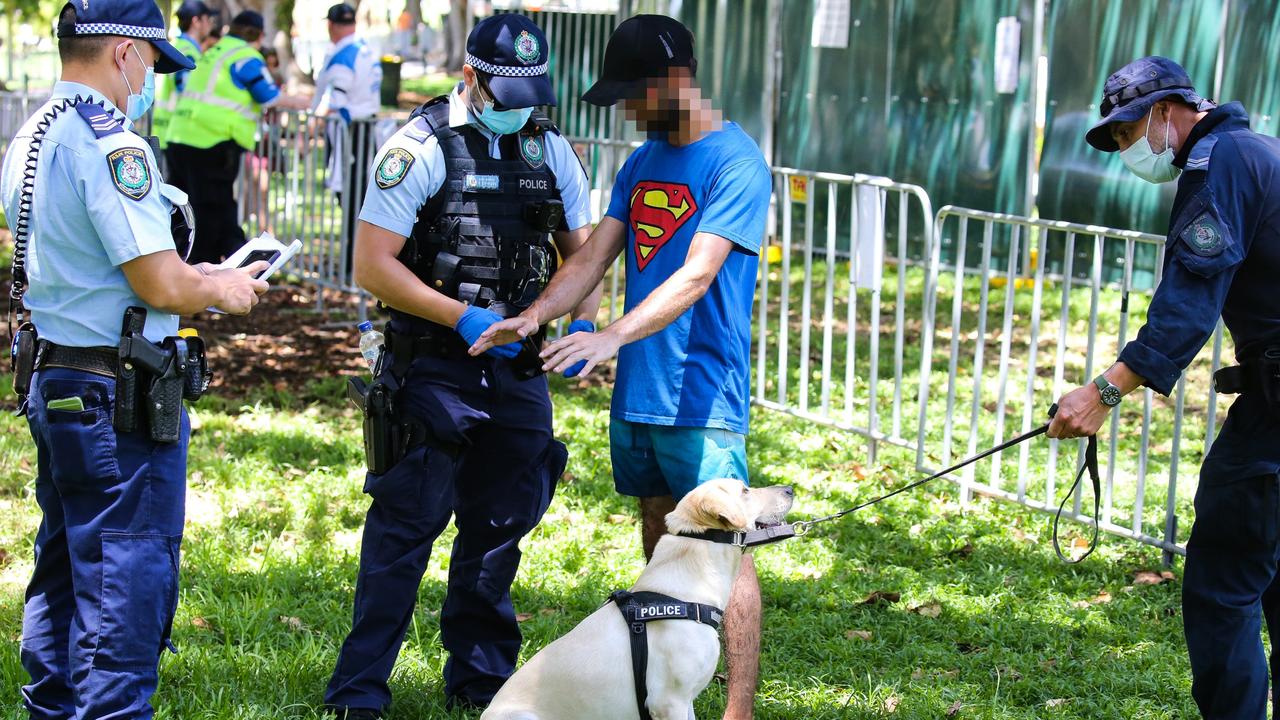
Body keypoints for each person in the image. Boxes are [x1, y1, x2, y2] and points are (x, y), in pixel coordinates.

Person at [471, 15, 774, 720]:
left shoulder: (736, 162)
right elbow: (593, 257)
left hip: (702, 394)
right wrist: (536, 314)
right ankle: (658, 690)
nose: (628, 111)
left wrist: (609, 336)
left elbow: (697, 276)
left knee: (728, 548)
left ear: (671, 81)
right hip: (641, 394)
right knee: (664, 538)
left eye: (633, 95)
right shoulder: (642, 163)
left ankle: (737, 708)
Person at [323, 14, 600, 718]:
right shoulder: (418, 148)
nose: (519, 110)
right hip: (435, 370)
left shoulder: (549, 150)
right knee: (403, 533)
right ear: (470, 76)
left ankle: (480, 681)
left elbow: (582, 253)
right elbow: (372, 265)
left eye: (530, 96)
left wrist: (572, 317)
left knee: (500, 528)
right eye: (506, 94)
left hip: (519, 371)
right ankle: (358, 692)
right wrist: (461, 316)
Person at [0, 1, 271, 717]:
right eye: (152, 62)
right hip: (116, 394)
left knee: (63, 567)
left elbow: (96, 264)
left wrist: (190, 272)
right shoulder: (110, 144)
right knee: (127, 576)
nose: (153, 78)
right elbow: (160, 284)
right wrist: (224, 285)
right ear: (124, 53)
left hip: (58, 375)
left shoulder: (33, 133)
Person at [1049, 56, 1280, 719]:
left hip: (1274, 419)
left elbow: (1188, 304)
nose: (1129, 151)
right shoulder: (1262, 151)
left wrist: (1103, 391)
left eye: (1128, 134)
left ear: (1167, 111)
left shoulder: (1220, 164)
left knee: (1224, 589)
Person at [166, 10, 309, 265]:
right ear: (260, 36)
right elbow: (269, 96)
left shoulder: (215, 51)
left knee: (192, 210)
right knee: (210, 211)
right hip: (212, 142)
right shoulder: (246, 57)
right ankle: (206, 273)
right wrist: (304, 102)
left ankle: (214, 265)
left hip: (180, 137)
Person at [313, 2, 384, 277]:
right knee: (358, 202)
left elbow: (337, 102)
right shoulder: (366, 50)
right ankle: (354, 265)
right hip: (364, 133)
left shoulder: (344, 56)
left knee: (353, 203)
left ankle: (352, 267)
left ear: (331, 25)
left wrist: (311, 131)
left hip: (350, 135)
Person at [153, 0, 213, 146]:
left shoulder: (176, 46)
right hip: (175, 132)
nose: (211, 24)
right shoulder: (187, 52)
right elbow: (186, 90)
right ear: (196, 21)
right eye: (208, 19)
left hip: (165, 130)